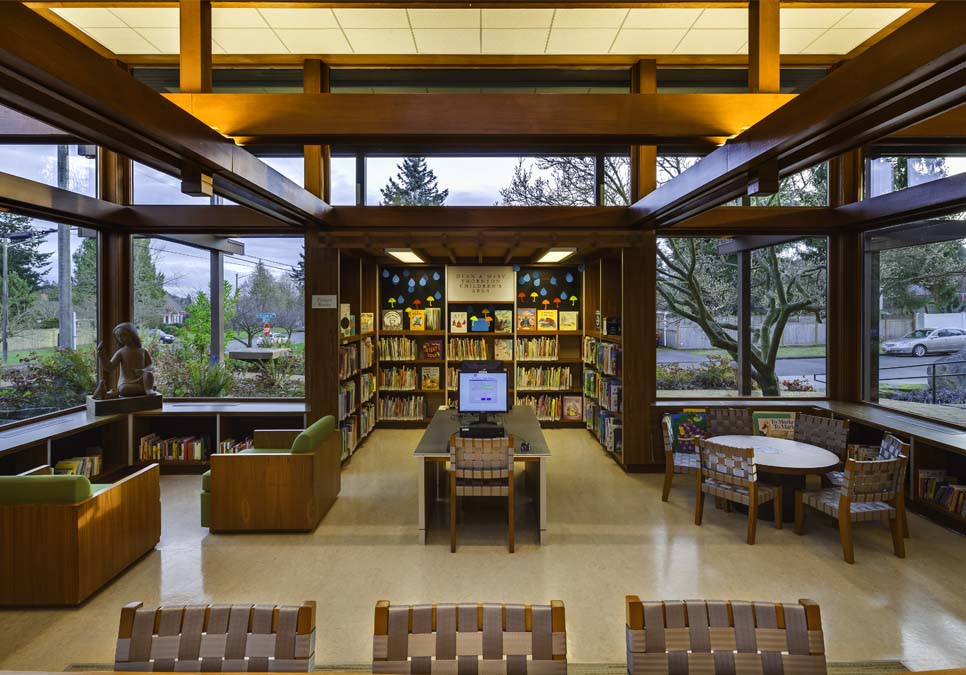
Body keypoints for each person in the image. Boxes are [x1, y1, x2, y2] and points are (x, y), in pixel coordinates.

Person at [94, 322, 156, 398]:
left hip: (141, 381)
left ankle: (148, 389)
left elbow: (150, 366)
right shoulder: (121, 352)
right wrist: (102, 356)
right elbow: (110, 367)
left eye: (123, 335)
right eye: (118, 337)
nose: (121, 338)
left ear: (132, 334)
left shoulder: (143, 351)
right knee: (123, 389)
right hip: (127, 382)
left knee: (149, 374)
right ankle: (146, 389)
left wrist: (144, 370)